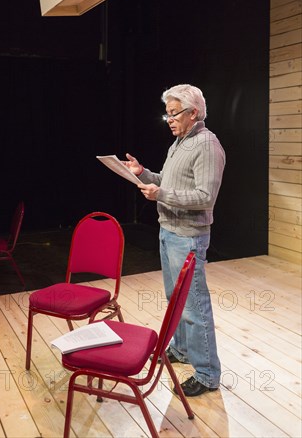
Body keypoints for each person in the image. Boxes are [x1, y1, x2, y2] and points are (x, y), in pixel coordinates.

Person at [123, 83, 225, 397]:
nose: (169, 119)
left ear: (194, 112)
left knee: (194, 308)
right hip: (168, 232)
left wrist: (161, 193)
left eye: (174, 113)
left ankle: (208, 374)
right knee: (175, 300)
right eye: (167, 113)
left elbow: (205, 198)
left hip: (189, 238)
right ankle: (180, 350)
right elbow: (167, 182)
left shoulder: (207, 145)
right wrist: (143, 174)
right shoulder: (178, 143)